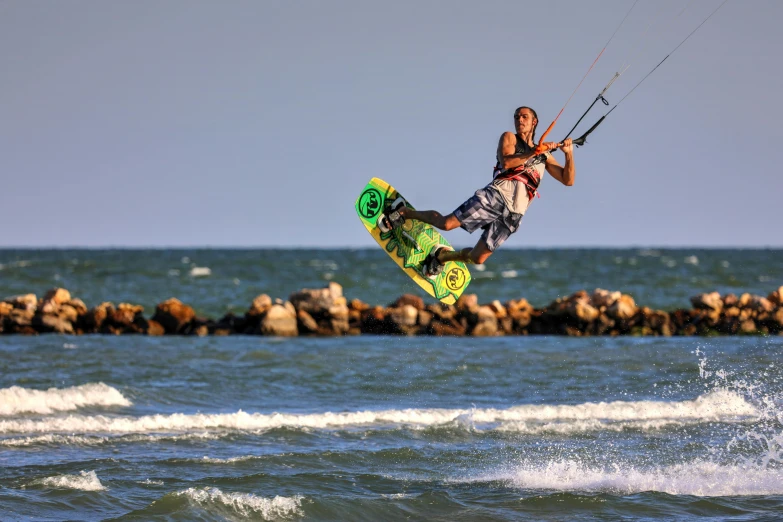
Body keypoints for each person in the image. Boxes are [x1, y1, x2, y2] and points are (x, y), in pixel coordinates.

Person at [379, 106, 576, 276]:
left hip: (514, 214)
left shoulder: (545, 156)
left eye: (524, 116)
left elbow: (568, 180)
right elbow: (507, 162)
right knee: (447, 224)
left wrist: (568, 155)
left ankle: (442, 257)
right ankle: (405, 212)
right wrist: (534, 152)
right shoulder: (510, 138)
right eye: (516, 117)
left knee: (478, 258)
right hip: (495, 197)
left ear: (535, 122)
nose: (519, 120)